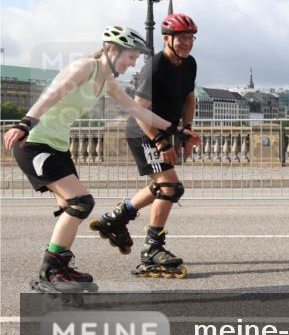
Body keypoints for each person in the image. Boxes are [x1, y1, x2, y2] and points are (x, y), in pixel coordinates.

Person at [4, 26, 177, 294]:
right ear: (112, 49)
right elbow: (52, 95)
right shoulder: (85, 67)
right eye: (130, 57)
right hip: (35, 144)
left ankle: (60, 265)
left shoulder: (108, 81)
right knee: (80, 203)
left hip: (58, 147)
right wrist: (24, 124)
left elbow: (136, 109)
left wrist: (176, 129)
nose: (132, 64)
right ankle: (50, 271)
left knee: (69, 208)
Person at [89, 13, 200, 279]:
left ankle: (117, 217)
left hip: (165, 129)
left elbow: (189, 98)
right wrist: (161, 142)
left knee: (166, 187)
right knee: (169, 186)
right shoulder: (155, 67)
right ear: (166, 39)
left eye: (190, 37)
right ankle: (152, 247)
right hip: (143, 131)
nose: (186, 43)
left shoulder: (189, 64)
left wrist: (186, 132)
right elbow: (139, 111)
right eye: (181, 38)